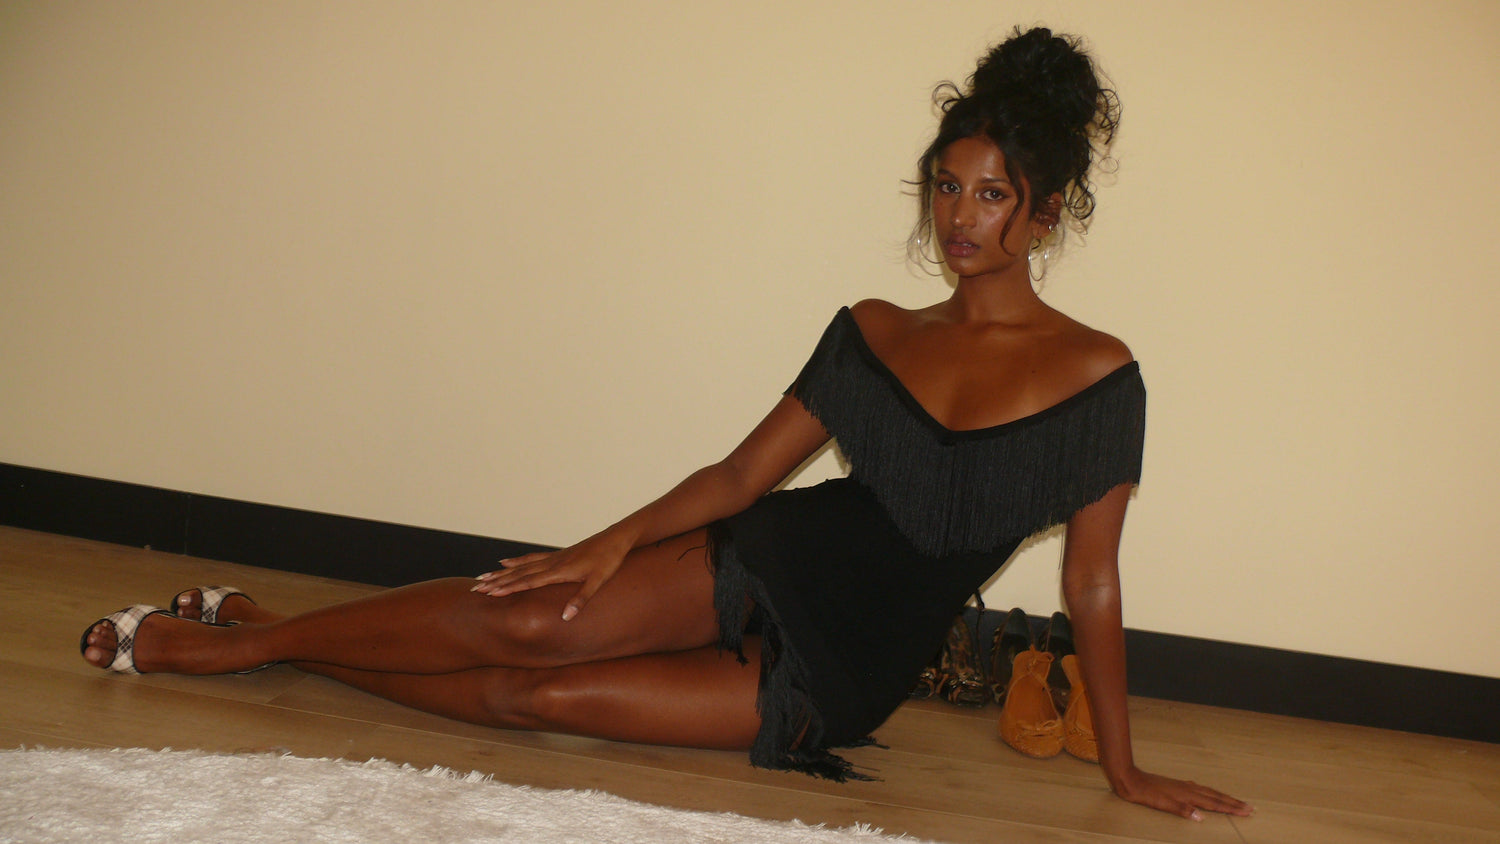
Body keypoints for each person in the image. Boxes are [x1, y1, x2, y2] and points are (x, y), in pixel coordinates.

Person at [80, 27, 1251, 821]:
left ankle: (273, 629)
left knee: (537, 702)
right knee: (535, 624)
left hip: (849, 669)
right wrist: (609, 542)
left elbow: (1091, 583)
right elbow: (743, 473)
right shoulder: (878, 328)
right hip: (764, 561)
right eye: (946, 186)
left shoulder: (1102, 380)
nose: (959, 215)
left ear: (1043, 214)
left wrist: (1123, 764)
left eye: (991, 194)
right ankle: (249, 641)